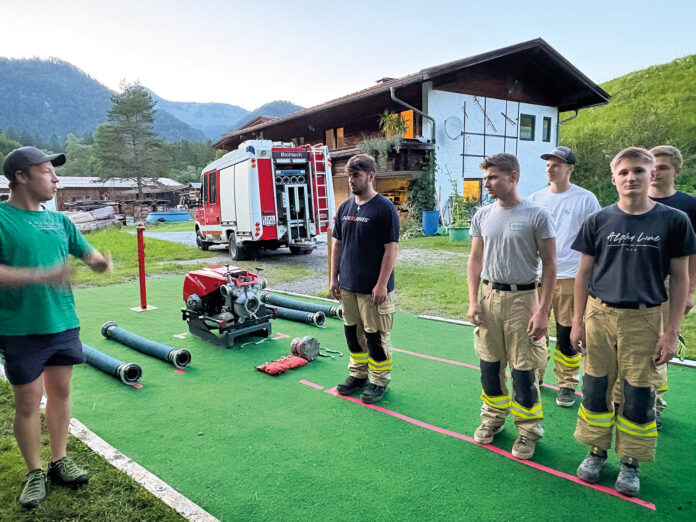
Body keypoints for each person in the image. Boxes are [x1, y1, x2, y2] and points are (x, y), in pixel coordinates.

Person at [570, 147, 695, 496]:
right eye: (623, 172)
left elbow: (680, 279)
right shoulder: (598, 220)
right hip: (599, 315)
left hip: (645, 318)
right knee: (595, 386)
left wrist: (671, 333)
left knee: (639, 392)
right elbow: (583, 274)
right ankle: (597, 450)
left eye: (639, 170)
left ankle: (630, 460)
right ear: (614, 178)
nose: (631, 177)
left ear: (651, 175)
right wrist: (577, 322)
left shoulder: (674, 221)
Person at [0, 147, 111, 508]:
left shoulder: (60, 221)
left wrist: (99, 262)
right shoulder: (1, 218)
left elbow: (88, 254)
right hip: (20, 327)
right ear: (21, 176)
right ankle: (35, 472)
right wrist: (41, 275)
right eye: (47, 171)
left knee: (61, 392)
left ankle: (59, 459)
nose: (56, 178)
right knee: (28, 401)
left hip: (62, 322)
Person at [467, 153, 557, 460]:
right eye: (486, 177)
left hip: (524, 299)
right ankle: (492, 418)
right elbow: (475, 260)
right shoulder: (482, 215)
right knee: (490, 367)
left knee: (523, 370)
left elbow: (550, 265)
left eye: (493, 177)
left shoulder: (536, 215)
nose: (487, 183)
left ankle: (528, 430)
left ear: (513, 177)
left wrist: (542, 311)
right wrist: (473, 300)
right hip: (490, 298)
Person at [528, 146, 601, 407]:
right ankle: (535, 376)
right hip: (537, 277)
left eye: (556, 164)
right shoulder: (535, 198)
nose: (550, 169)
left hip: (571, 276)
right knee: (535, 331)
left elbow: (596, 238)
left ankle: (567, 383)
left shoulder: (585, 199)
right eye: (548, 164)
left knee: (567, 333)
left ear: (569, 168)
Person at [330, 154, 399, 404]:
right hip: (348, 286)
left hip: (373, 289)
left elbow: (391, 249)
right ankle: (358, 375)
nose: (351, 180)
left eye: (356, 175)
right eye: (349, 175)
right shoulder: (345, 207)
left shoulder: (384, 208)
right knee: (353, 334)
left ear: (371, 176)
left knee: (375, 337)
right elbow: (337, 245)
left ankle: (379, 381)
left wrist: (381, 284)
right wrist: (333, 278)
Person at [647, 145, 696, 430]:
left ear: (677, 170)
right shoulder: (634, 200)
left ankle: (653, 404)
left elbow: (693, 254)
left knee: (661, 343)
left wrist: (689, 290)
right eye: (652, 166)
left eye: (663, 167)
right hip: (634, 284)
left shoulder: (689, 206)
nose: (655, 172)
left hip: (669, 283)